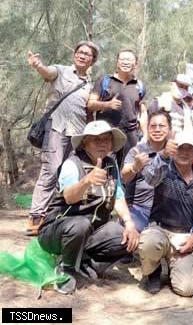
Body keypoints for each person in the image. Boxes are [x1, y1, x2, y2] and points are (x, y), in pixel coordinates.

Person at [37, 121, 139, 294]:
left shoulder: (111, 165)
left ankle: (85, 267)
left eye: (106, 139)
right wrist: (87, 181)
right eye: (95, 139)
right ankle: (67, 270)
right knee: (80, 224)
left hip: (90, 232)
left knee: (123, 237)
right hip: (56, 231)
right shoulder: (72, 164)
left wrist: (129, 223)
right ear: (85, 143)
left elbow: (119, 196)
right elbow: (69, 197)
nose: (102, 143)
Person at [27, 41, 100, 236]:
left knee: (68, 173)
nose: (83, 56)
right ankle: (37, 216)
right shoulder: (61, 71)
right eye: (80, 52)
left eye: (88, 54)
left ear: (93, 60)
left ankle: (54, 215)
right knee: (50, 170)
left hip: (77, 134)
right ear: (75, 54)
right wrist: (37, 65)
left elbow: (89, 111)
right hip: (57, 128)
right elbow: (47, 72)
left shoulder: (90, 86)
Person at [139, 131, 193, 297]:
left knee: (187, 289)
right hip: (160, 230)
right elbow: (150, 178)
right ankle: (153, 271)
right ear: (173, 149)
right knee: (149, 242)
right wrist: (164, 155)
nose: (184, 152)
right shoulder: (164, 168)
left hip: (186, 237)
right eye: (180, 148)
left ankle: (175, 266)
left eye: (189, 149)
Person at [87, 49, 145, 162]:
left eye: (129, 59)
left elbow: (143, 113)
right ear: (117, 62)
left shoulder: (140, 85)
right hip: (107, 134)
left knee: (128, 168)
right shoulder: (105, 80)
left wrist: (145, 135)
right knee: (105, 167)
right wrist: (108, 104)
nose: (125, 62)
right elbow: (90, 104)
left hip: (131, 136)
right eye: (122, 59)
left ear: (136, 63)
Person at [121, 110, 171, 232]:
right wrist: (135, 166)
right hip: (138, 209)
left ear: (169, 128)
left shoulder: (174, 152)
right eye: (153, 126)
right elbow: (124, 177)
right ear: (147, 129)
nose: (157, 130)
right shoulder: (137, 151)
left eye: (162, 126)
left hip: (166, 211)